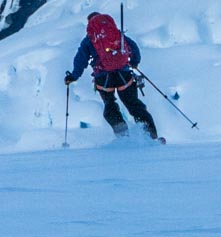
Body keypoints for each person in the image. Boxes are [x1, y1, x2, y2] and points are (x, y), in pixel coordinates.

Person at [65, 12, 161, 141]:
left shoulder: (89, 39)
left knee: (110, 105)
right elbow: (134, 48)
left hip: (104, 80)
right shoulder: (117, 34)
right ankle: (151, 136)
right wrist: (134, 62)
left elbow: (80, 60)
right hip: (124, 75)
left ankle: (123, 136)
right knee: (133, 105)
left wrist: (73, 76)